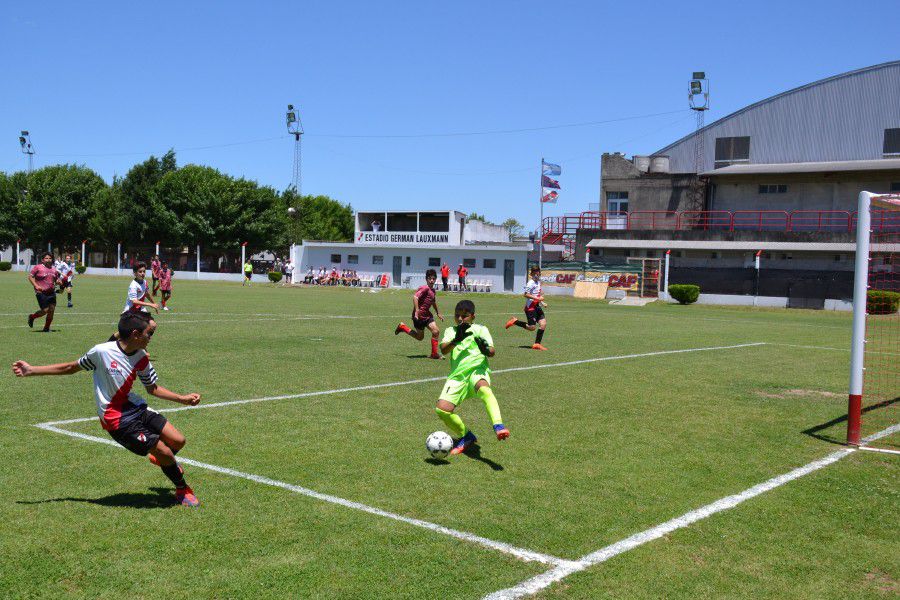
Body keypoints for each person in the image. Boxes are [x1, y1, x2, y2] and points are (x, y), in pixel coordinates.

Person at [12, 311, 202, 507]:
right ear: (136, 334)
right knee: (165, 451)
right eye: (149, 333)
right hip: (116, 418)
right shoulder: (101, 352)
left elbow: (152, 388)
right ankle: (182, 489)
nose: (151, 338)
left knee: (178, 441)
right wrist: (31, 370)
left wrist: (183, 399)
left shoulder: (141, 357)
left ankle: (164, 460)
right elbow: (70, 367)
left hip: (135, 406)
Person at [434, 299, 509, 456]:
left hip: (477, 370)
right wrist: (456, 339)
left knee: (484, 389)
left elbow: (492, 351)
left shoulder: (481, 329)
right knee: (442, 410)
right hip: (457, 376)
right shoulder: (451, 330)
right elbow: (444, 350)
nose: (461, 319)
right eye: (457, 316)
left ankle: (498, 426)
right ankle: (466, 435)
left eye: (465, 316)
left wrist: (486, 350)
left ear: (473, 316)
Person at [394, 269, 444, 359]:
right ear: (426, 279)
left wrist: (438, 312)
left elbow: (433, 302)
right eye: (430, 278)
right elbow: (415, 297)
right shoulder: (424, 288)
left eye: (433, 278)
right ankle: (403, 327)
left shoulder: (433, 291)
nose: (432, 280)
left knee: (436, 331)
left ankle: (434, 354)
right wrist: (417, 310)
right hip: (419, 318)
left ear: (435, 279)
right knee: (420, 337)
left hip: (428, 316)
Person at [505, 266, 548, 350]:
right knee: (532, 328)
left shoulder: (538, 282)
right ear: (531, 274)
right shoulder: (530, 283)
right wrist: (538, 299)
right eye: (535, 273)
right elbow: (525, 294)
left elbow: (537, 295)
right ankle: (515, 321)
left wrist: (542, 302)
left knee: (543, 324)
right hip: (530, 308)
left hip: (537, 306)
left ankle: (537, 344)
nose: (537, 274)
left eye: (538, 273)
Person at [27, 252, 61, 332]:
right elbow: (30, 277)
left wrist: (58, 281)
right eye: (46, 258)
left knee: (52, 310)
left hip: (51, 292)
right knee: (45, 310)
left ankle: (46, 328)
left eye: (50, 258)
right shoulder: (38, 267)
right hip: (41, 292)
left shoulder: (54, 269)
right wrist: (36, 285)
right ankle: (32, 317)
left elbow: (56, 280)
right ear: (42, 260)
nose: (48, 260)